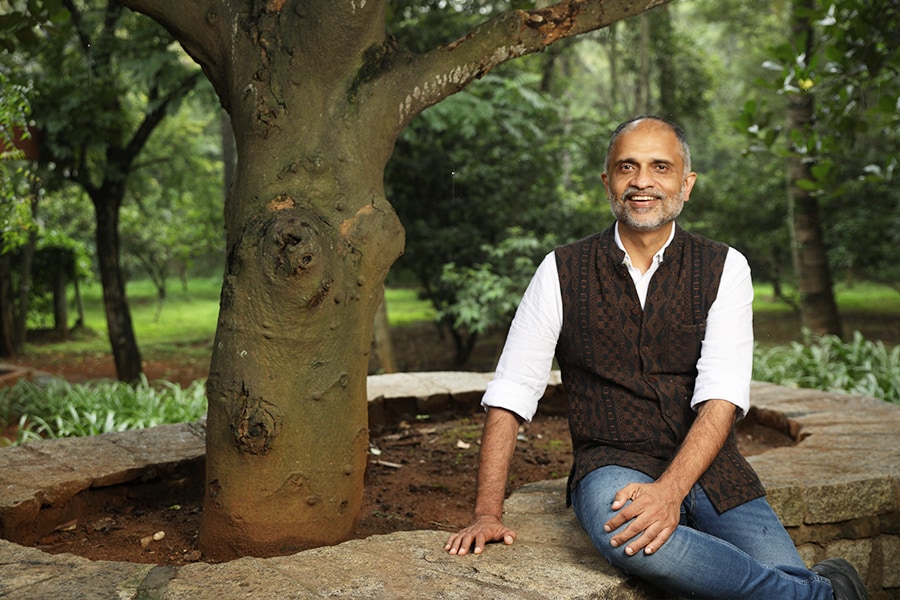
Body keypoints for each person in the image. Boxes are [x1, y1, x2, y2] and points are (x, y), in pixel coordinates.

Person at [444, 116, 869, 600]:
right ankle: (825, 595)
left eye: (660, 167)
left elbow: (721, 398)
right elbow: (512, 392)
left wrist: (671, 491)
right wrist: (486, 512)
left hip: (714, 471)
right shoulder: (560, 270)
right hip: (612, 464)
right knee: (630, 538)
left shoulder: (724, 267)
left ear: (686, 185)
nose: (642, 181)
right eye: (627, 166)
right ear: (608, 181)